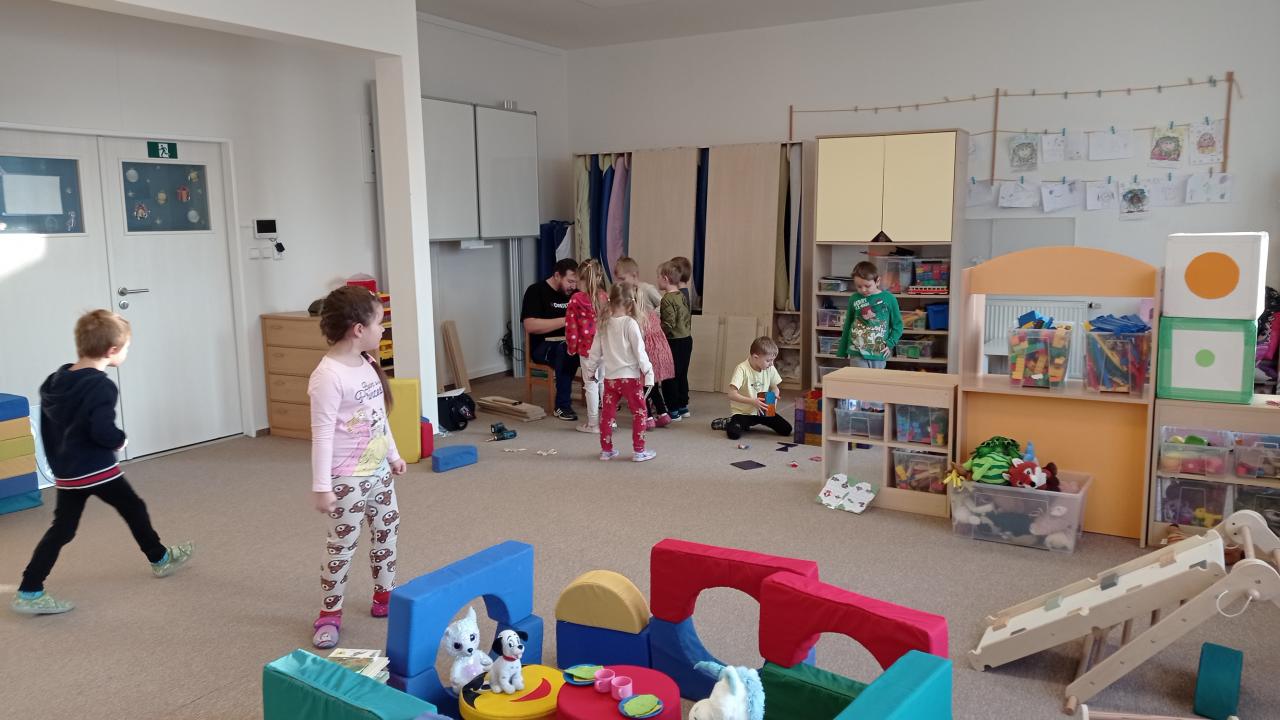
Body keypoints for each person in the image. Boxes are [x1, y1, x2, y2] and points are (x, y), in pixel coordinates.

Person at [12, 310, 194, 615]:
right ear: (112, 350)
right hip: (97, 470)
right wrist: (119, 440)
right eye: (126, 348)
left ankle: (29, 589)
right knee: (133, 507)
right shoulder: (100, 386)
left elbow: (48, 427)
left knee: (63, 529)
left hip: (68, 472)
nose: (126, 353)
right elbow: (102, 430)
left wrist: (59, 463)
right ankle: (160, 558)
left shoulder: (55, 380)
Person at [308, 285, 407, 649]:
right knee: (343, 544)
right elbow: (321, 436)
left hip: (378, 470)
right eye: (379, 323)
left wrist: (393, 455)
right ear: (358, 329)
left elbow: (379, 418)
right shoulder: (328, 376)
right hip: (347, 477)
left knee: (386, 532)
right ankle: (329, 613)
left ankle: (384, 596)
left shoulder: (367, 363)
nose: (383, 330)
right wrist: (322, 487)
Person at [586, 282, 656, 462]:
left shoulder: (603, 323)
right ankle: (639, 451)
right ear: (631, 303)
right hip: (630, 379)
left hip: (610, 379)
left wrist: (590, 370)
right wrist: (649, 373)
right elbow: (640, 352)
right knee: (639, 413)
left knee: (607, 415)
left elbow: (594, 351)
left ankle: (606, 450)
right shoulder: (630, 323)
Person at [521, 258, 580, 421]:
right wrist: (567, 320)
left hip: (571, 342)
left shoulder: (575, 294)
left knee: (595, 348)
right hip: (543, 346)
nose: (573, 286)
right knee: (565, 351)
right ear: (557, 275)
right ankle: (562, 406)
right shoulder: (536, 291)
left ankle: (600, 398)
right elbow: (530, 325)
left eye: (575, 282)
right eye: (570, 281)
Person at [712, 336, 793, 441]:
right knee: (733, 434)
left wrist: (774, 398)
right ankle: (728, 422)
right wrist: (753, 401)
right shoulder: (741, 369)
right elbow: (731, 394)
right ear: (755, 357)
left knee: (787, 430)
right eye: (768, 360)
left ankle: (745, 423)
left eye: (773, 360)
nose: (771, 364)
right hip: (743, 413)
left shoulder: (770, 368)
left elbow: (775, 388)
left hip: (763, 412)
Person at [565, 259, 609, 434]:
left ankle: (593, 424)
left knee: (590, 384)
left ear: (581, 279)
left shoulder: (575, 299)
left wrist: (571, 347)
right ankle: (609, 421)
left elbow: (571, 327)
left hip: (587, 349)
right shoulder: (605, 297)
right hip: (605, 348)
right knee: (604, 382)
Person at [836, 261, 902, 369]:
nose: (863, 290)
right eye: (859, 286)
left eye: (867, 286)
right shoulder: (854, 298)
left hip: (879, 353)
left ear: (877, 281)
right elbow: (848, 324)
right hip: (857, 351)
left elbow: (898, 325)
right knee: (860, 379)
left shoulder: (889, 299)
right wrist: (842, 350)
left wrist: (890, 343)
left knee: (875, 380)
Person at [658, 260, 692, 419]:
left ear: (665, 279)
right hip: (686, 340)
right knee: (682, 374)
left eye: (658, 277)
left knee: (669, 375)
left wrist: (658, 332)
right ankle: (682, 406)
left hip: (674, 342)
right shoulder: (682, 295)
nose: (657, 280)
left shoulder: (667, 299)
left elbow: (669, 323)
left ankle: (672, 409)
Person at [637, 287, 675, 428]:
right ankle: (663, 413)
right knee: (652, 384)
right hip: (660, 353)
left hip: (647, 355)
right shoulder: (652, 314)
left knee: (642, 386)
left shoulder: (635, 319)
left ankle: (647, 417)